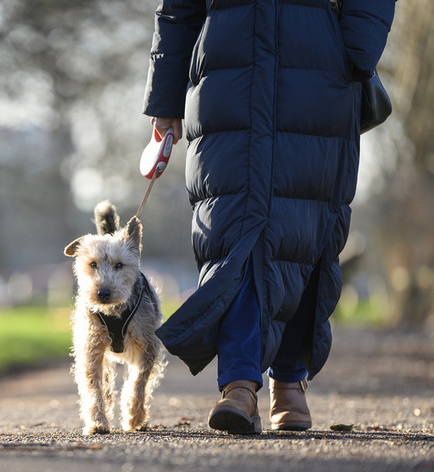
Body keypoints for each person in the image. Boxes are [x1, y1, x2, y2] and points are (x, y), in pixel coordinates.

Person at [143, 0, 396, 434]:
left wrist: (356, 49)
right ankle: (239, 383)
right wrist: (165, 102)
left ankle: (288, 380)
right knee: (236, 231)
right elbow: (178, 8)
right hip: (226, 72)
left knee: (305, 229)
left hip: (317, 66)